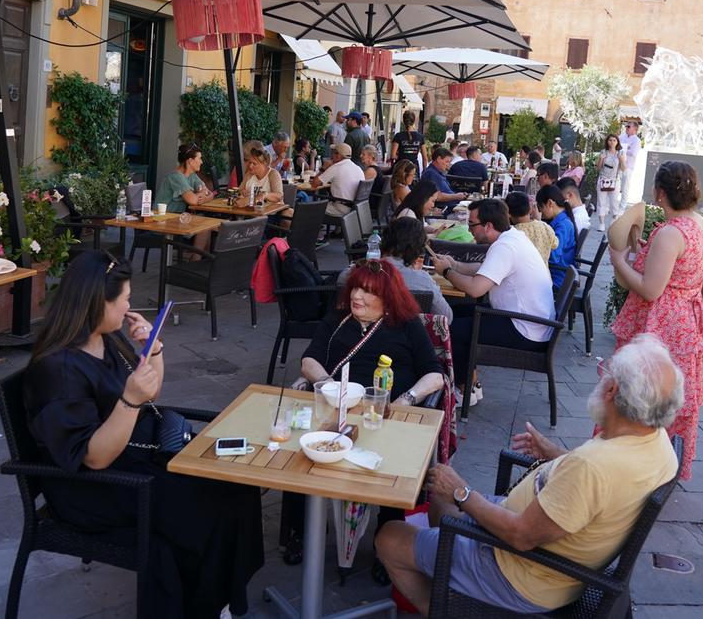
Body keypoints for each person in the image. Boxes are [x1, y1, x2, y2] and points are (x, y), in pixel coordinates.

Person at [22, 252, 264, 618]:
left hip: (136, 455)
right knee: (210, 501)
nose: (128, 308)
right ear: (96, 303)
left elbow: (148, 394)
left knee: (238, 484)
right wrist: (129, 401)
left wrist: (154, 348)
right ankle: (208, 603)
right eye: (124, 299)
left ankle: (221, 597)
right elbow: (95, 457)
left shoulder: (106, 338)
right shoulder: (58, 370)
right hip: (93, 487)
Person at [375, 334, 682, 615]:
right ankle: (449, 566)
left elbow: (521, 536)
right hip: (543, 549)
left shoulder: (593, 467)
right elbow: (601, 485)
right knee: (441, 501)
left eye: (605, 373)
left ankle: (446, 608)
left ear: (612, 391)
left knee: (390, 537)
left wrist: (462, 492)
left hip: (521, 573)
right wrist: (555, 454)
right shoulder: (657, 444)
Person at [283, 259, 443, 560]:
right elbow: (308, 361)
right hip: (335, 408)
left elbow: (435, 376)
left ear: (388, 297)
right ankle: (302, 531)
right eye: (356, 288)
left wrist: (406, 400)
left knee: (395, 462)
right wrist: (329, 385)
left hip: (387, 414)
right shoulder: (337, 319)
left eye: (368, 291)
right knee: (301, 452)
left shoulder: (406, 324)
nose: (357, 296)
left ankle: (389, 539)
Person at [609, 161, 703, 480]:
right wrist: (649, 253)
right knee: (672, 398)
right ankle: (664, 466)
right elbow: (680, 271)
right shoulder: (701, 224)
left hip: (662, 325)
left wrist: (618, 260)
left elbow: (650, 289)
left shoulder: (671, 233)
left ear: (659, 193)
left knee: (642, 395)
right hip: (686, 322)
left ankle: (632, 469)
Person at [434, 199, 556, 397]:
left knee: (449, 329)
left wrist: (447, 272)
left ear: (488, 226)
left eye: (472, 225)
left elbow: (475, 289)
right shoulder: (511, 237)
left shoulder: (505, 247)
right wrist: (455, 265)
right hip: (529, 322)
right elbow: (486, 269)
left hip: (525, 330)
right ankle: (471, 384)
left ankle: (464, 391)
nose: (469, 230)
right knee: (453, 313)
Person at [339, 217, 453, 324]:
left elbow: (340, 286)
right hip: (406, 336)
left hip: (361, 333)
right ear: (417, 250)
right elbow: (446, 319)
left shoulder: (355, 272)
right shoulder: (423, 280)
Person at [536, 185, 577, 289]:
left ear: (550, 203)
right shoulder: (561, 221)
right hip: (557, 273)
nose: (541, 213)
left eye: (541, 208)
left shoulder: (563, 225)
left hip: (557, 277)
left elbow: (553, 257)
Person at [155, 144, 215, 215]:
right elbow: (193, 200)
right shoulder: (175, 176)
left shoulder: (192, 175)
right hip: (162, 217)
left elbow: (207, 192)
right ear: (190, 161)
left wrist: (208, 197)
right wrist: (204, 196)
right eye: (199, 158)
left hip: (177, 216)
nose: (201, 162)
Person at [313, 142, 365, 217]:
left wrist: (323, 168)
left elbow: (314, 184)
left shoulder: (336, 167)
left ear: (338, 155)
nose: (331, 155)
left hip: (340, 209)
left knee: (310, 208)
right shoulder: (358, 168)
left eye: (333, 153)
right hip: (354, 209)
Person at [506, 191, 557, 264]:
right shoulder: (545, 227)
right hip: (544, 270)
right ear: (530, 209)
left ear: (508, 214)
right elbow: (555, 244)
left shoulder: (512, 233)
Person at [419, 147, 467, 212]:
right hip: (445, 209)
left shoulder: (437, 172)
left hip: (451, 206)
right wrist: (456, 196)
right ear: (439, 159)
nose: (448, 165)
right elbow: (437, 196)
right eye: (447, 162)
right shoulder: (431, 173)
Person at [594, 134, 626, 231]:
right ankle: (601, 223)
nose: (612, 142)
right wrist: (601, 159)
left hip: (615, 181)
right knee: (601, 202)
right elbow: (598, 168)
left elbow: (623, 168)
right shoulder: (603, 152)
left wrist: (621, 160)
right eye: (610, 140)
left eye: (614, 140)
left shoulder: (621, 153)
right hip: (603, 179)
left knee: (614, 202)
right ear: (607, 141)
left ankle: (613, 222)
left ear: (617, 142)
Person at [619, 121, 641, 204]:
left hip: (628, 167)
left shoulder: (637, 140)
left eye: (629, 126)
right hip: (618, 165)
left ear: (635, 129)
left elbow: (633, 153)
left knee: (625, 187)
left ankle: (622, 206)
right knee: (616, 186)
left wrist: (623, 148)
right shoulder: (621, 137)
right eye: (626, 126)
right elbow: (615, 147)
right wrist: (627, 147)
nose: (626, 128)